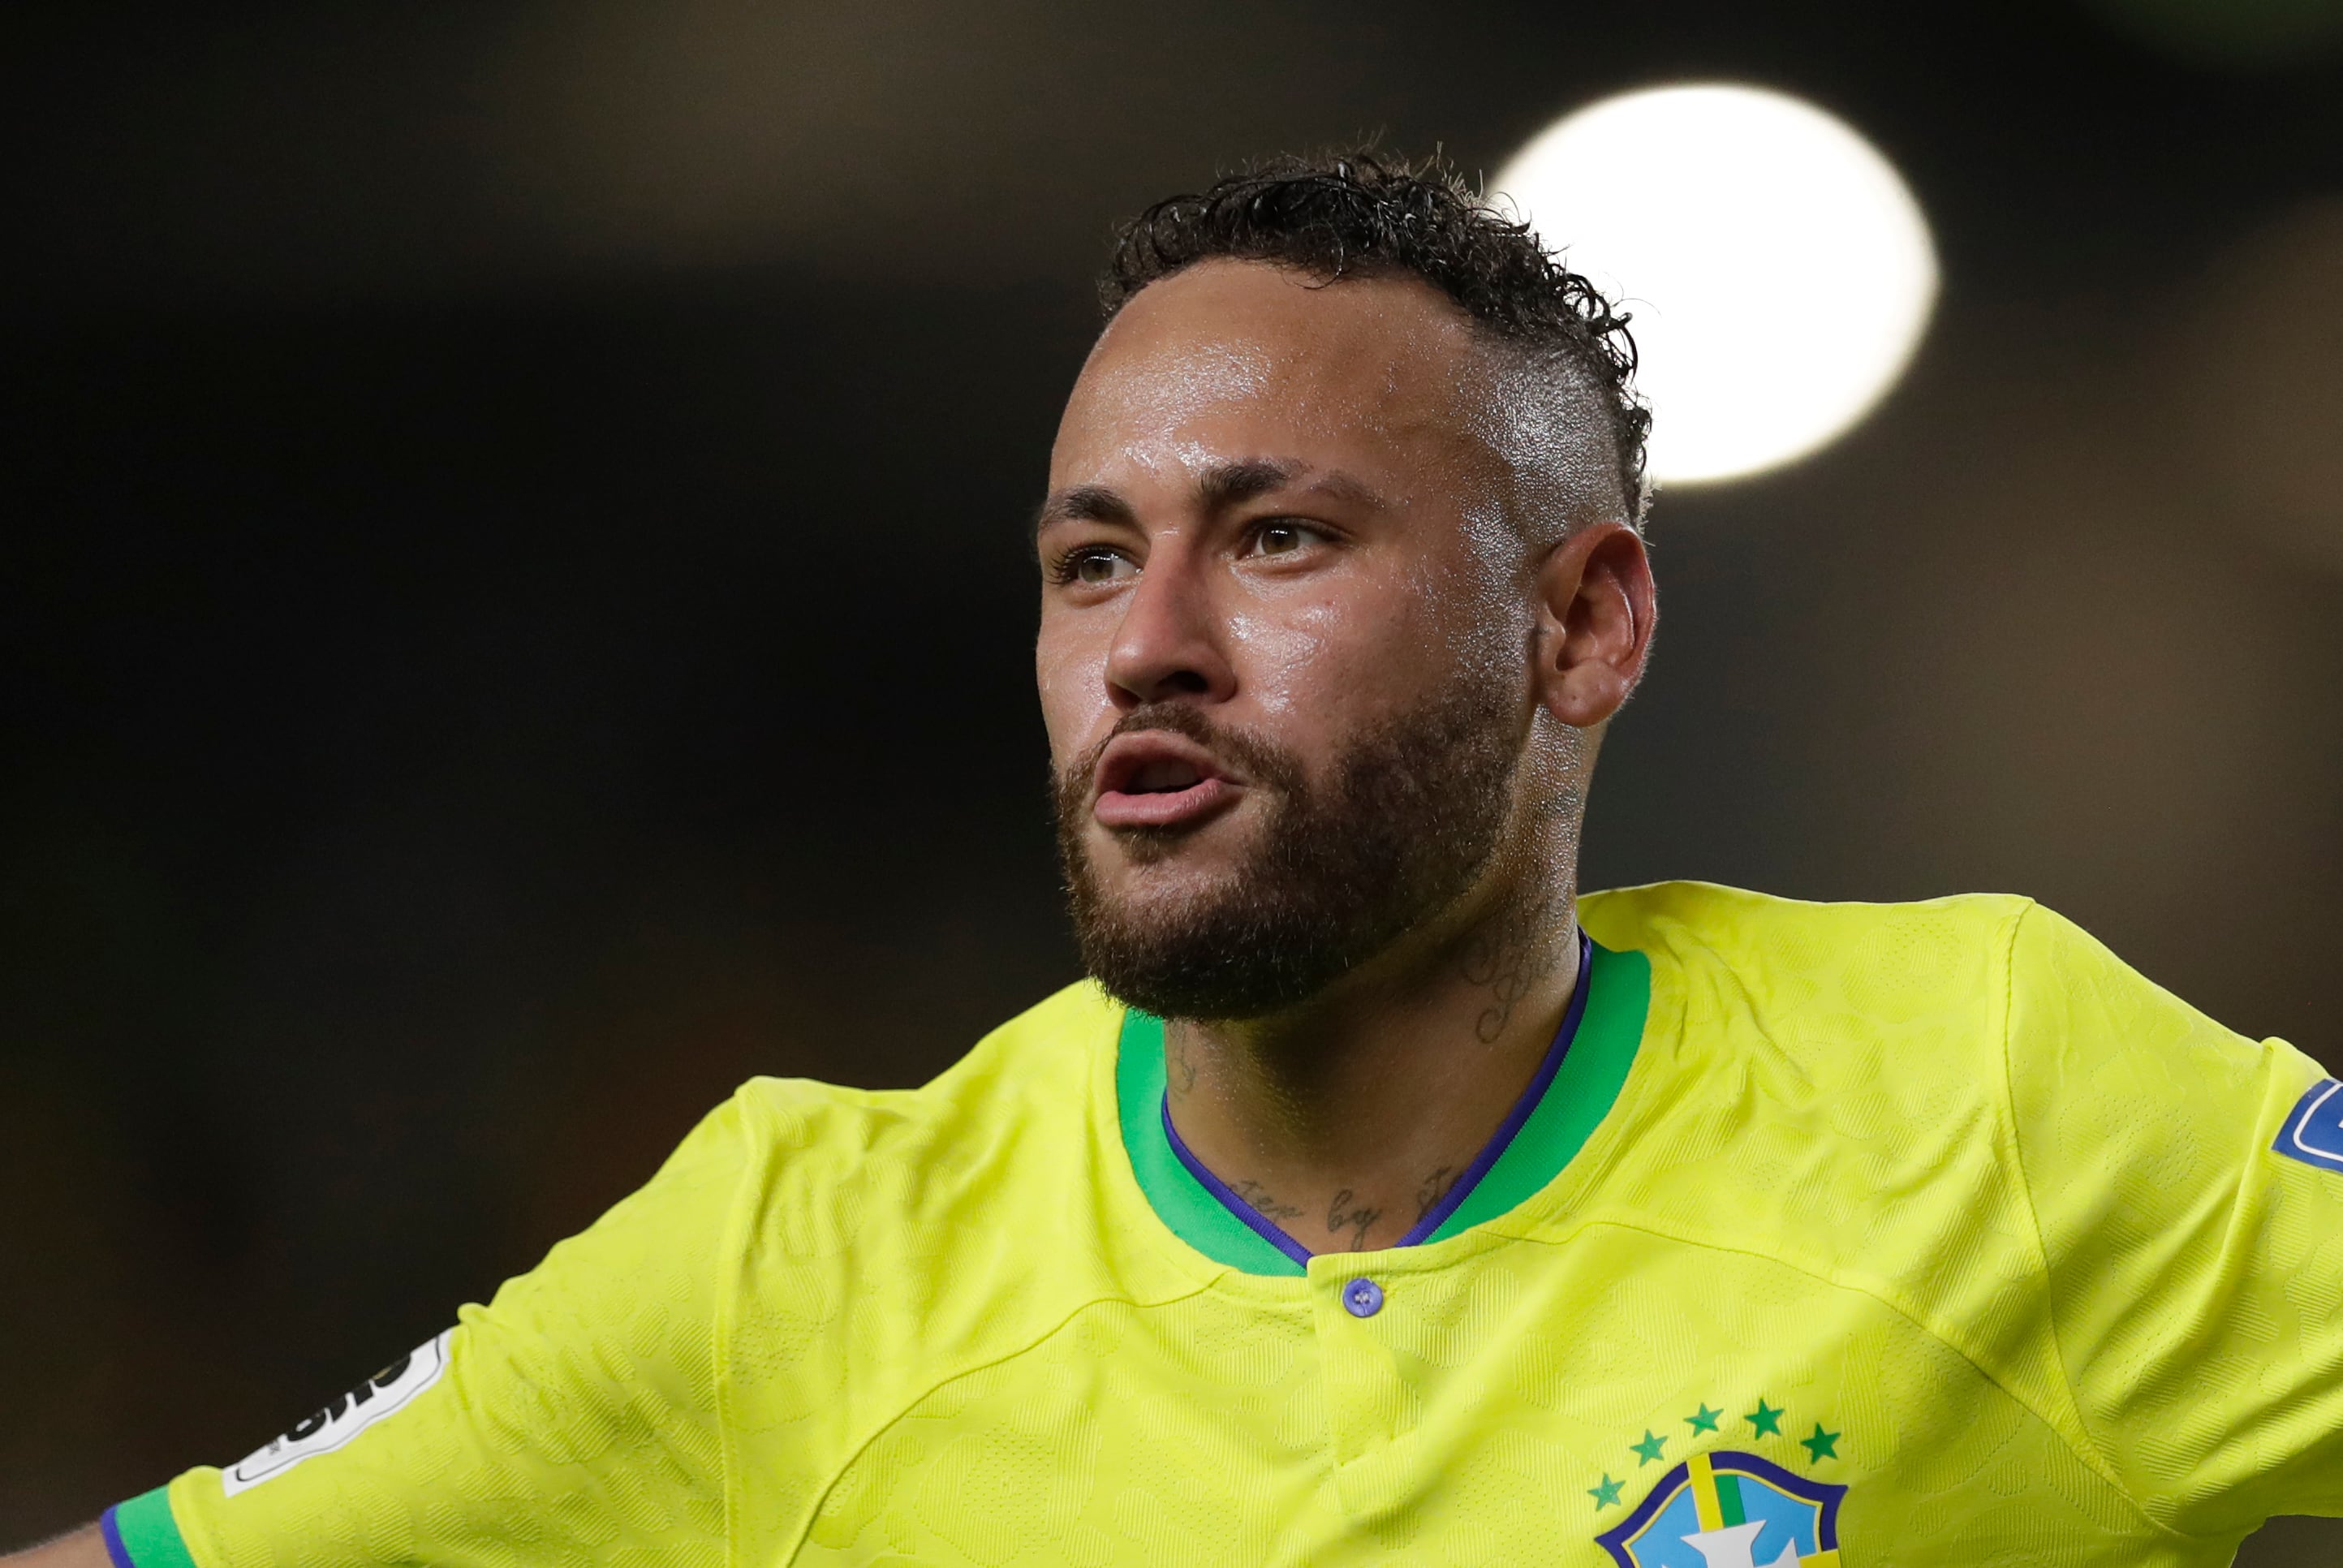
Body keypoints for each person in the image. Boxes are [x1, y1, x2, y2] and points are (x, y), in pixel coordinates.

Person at [11, 151, 2342, 1568]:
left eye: (1282, 537)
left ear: (1583, 625)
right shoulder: (799, 1264)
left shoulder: (1987, 1098)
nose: (1150, 647)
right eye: (1090, 560)